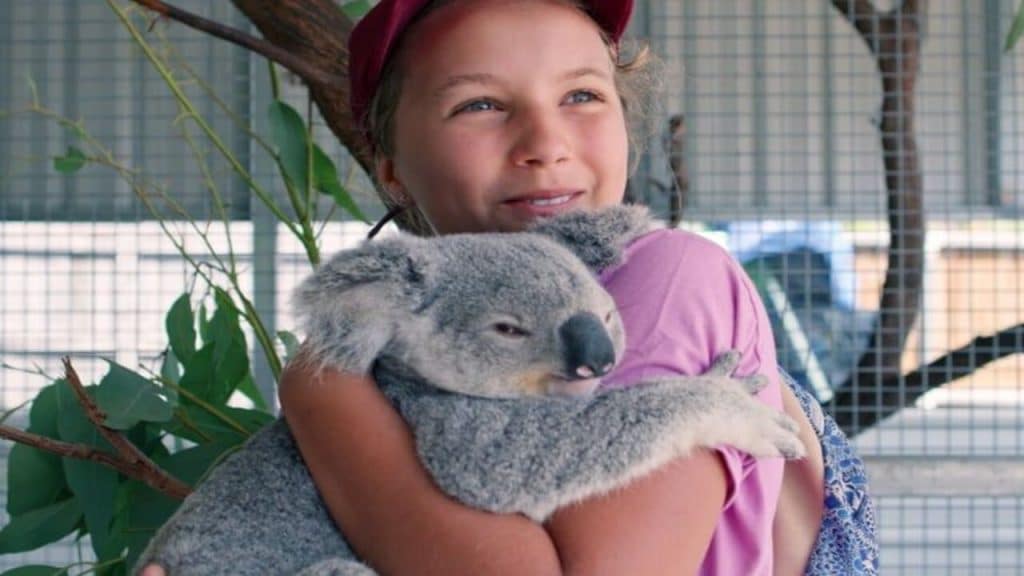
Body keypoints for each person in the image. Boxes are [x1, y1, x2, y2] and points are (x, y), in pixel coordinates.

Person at [142, 0, 831, 574]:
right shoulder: (397, 330)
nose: (545, 141)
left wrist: (328, 407)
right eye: (480, 104)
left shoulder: (666, 274)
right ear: (388, 166)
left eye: (583, 95)